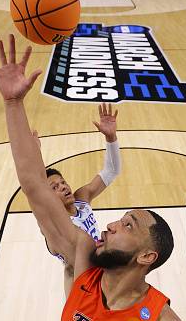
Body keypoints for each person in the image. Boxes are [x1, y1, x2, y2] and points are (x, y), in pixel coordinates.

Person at [0, 35, 186, 321]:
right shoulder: (81, 254)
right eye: (120, 220)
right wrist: (13, 105)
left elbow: (105, 174)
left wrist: (111, 140)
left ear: (147, 256)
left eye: (128, 225)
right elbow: (33, 183)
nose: (111, 225)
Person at [32, 103, 122, 295]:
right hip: (82, 288)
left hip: (104, 272)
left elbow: (111, 171)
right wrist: (35, 156)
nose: (63, 186)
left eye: (63, 182)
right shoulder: (52, 225)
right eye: (54, 187)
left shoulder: (81, 198)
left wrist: (111, 138)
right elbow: (36, 188)